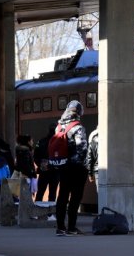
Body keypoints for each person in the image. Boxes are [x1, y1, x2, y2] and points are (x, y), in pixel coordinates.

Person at [53, 100, 88, 236]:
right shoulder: (78, 127)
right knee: (75, 198)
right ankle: (72, 227)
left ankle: (60, 227)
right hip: (76, 168)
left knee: (62, 196)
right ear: (79, 112)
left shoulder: (60, 126)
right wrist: (82, 164)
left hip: (62, 166)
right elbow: (82, 148)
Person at [34, 124, 59, 206]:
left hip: (43, 171)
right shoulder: (59, 142)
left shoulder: (41, 141)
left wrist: (41, 164)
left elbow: (35, 156)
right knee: (52, 193)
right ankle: (50, 214)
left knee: (40, 192)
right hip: (55, 171)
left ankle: (36, 211)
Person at [85, 125, 98, 192]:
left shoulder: (93, 141)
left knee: (100, 191)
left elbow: (89, 158)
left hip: (98, 170)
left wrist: (90, 174)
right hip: (112, 169)